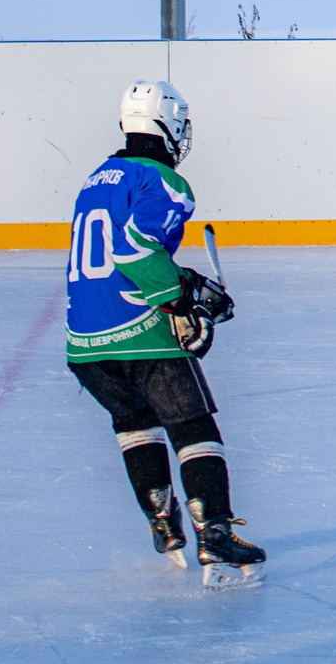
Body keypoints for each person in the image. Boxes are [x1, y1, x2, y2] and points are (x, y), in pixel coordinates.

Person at [64, 80, 268, 586]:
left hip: (85, 341)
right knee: (193, 426)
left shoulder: (96, 178)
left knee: (135, 422)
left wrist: (188, 283)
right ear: (170, 124)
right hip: (139, 333)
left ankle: (163, 523)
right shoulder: (166, 181)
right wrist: (181, 298)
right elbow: (133, 250)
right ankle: (216, 535)